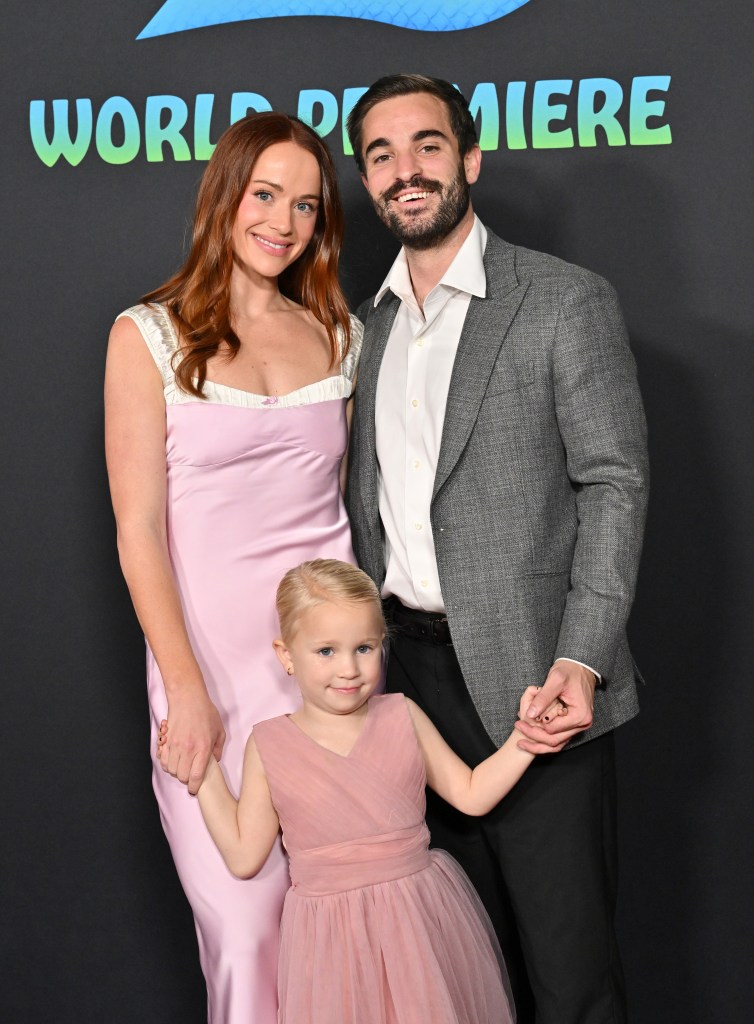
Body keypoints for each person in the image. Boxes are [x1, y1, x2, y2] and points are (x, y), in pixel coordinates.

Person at [345, 74, 649, 1024]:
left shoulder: (563, 301)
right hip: (408, 696)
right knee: (458, 981)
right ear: (366, 181)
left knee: (569, 975)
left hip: (537, 685)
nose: (407, 170)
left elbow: (615, 482)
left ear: (470, 160)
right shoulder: (363, 330)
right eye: (382, 155)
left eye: (427, 146)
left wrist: (581, 658)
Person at [104, 112, 362, 1024]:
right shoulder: (148, 336)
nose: (283, 223)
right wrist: (186, 689)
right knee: (249, 933)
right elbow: (139, 532)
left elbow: (343, 517)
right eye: (265, 195)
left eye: (304, 204)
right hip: (208, 673)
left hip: (329, 683)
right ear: (225, 195)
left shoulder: (338, 335)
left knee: (333, 933)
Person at [159, 558, 564, 1023]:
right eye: (326, 651)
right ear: (286, 655)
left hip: (418, 924)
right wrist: (204, 772)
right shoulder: (269, 744)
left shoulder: (401, 715)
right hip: (331, 946)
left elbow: (471, 793)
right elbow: (244, 855)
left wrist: (525, 739)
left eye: (365, 648)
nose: (349, 669)